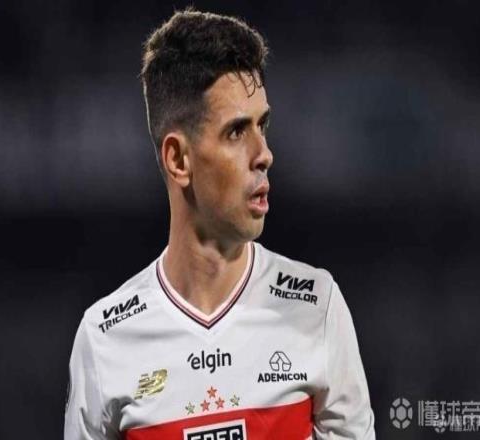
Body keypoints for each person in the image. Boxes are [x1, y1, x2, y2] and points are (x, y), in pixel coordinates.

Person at [64, 8, 375, 440]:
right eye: (236, 132)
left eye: (263, 126)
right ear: (178, 159)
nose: (264, 154)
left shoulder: (316, 308)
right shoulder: (104, 339)